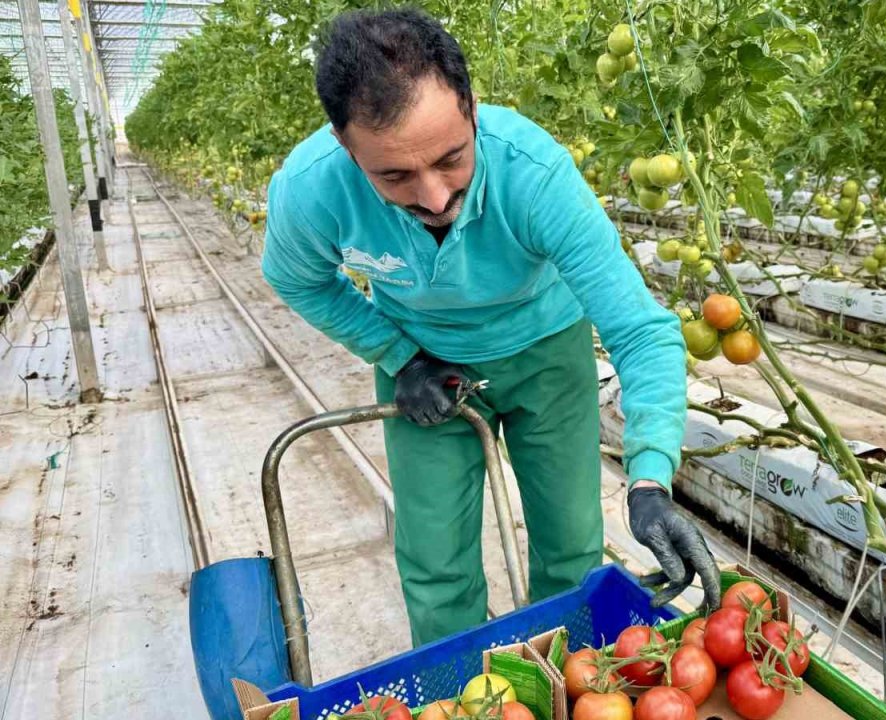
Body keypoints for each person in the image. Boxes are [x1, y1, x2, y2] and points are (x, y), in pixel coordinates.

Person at [261, 7, 720, 645]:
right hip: (426, 365)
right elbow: (297, 279)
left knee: (570, 550)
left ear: (472, 108)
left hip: (546, 351)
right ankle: (461, 693)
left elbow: (640, 329)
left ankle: (575, 683)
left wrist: (649, 477)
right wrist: (398, 354)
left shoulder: (532, 174)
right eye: (393, 175)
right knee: (435, 563)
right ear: (345, 144)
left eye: (451, 158)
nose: (433, 197)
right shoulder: (312, 192)